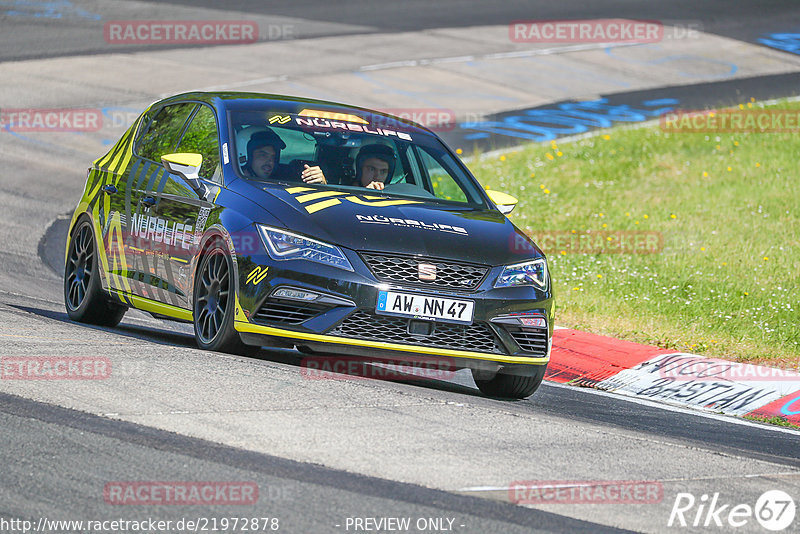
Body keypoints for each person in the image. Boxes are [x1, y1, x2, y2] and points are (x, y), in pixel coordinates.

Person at [242, 129, 326, 184]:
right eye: (263, 155)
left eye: (274, 157)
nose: (270, 162)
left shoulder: (283, 181)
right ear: (244, 154)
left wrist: (322, 184)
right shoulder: (231, 186)